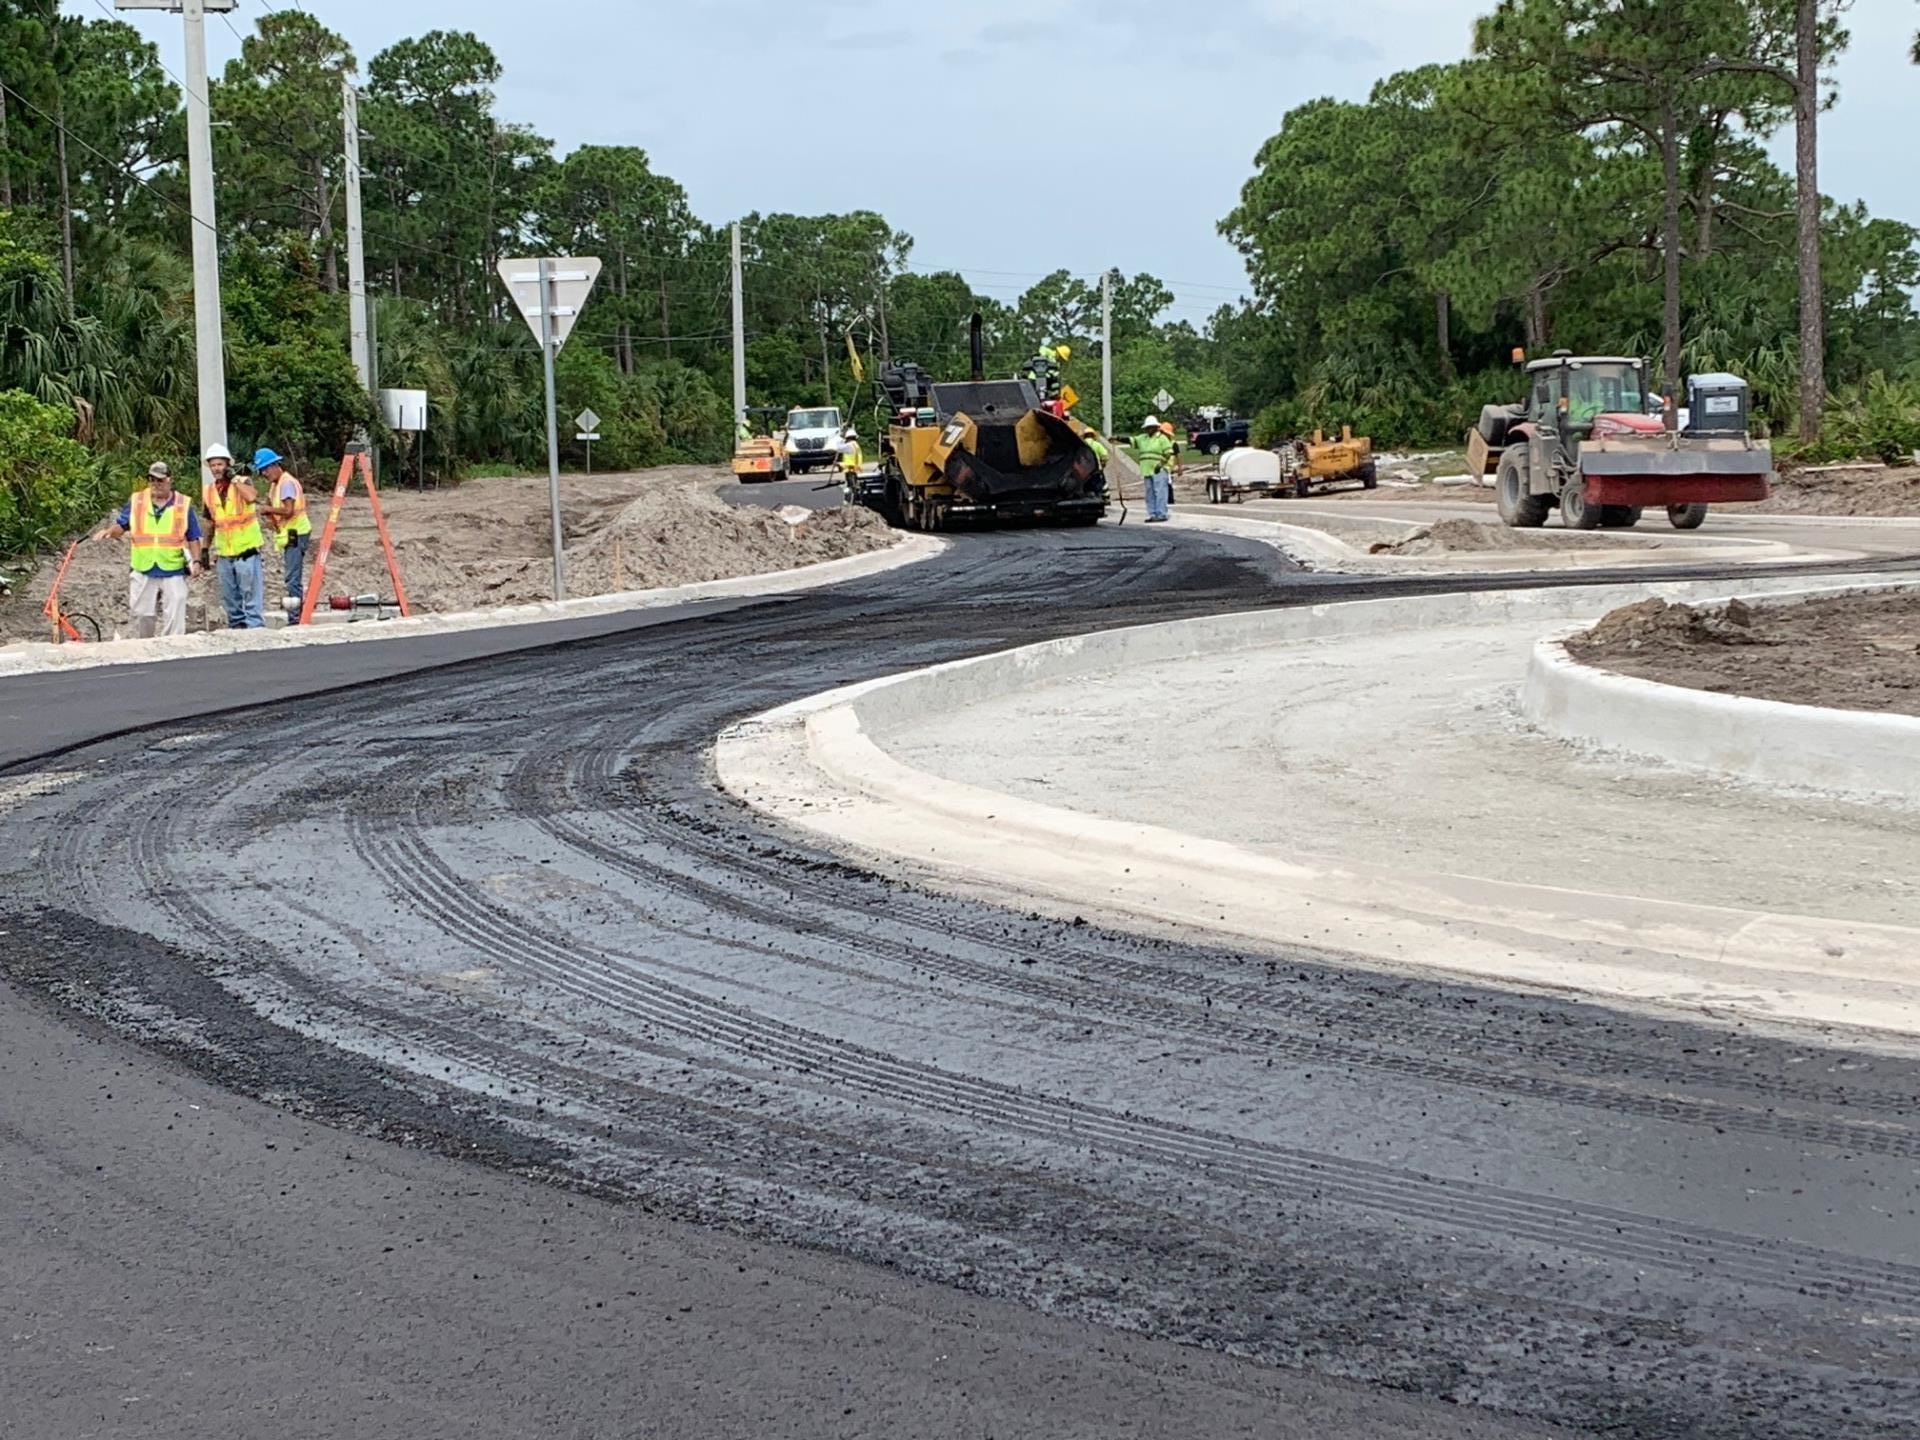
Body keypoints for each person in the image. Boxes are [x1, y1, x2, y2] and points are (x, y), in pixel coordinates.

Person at [91, 461, 204, 638]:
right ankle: (145, 647)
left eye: (160, 480)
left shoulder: (183, 504)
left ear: (169, 480)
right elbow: (122, 526)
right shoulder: (137, 501)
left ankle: (174, 649)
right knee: (142, 615)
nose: (156, 485)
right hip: (143, 566)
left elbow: (193, 537)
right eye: (152, 480)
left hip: (172, 568)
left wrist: (197, 561)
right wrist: (109, 532)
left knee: (176, 611)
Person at [200, 442, 266, 629]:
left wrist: (235, 479)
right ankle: (237, 630)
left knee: (252, 599)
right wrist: (205, 548)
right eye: (213, 465)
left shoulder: (243, 482)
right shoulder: (209, 491)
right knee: (231, 600)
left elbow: (252, 497)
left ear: (228, 465)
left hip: (246, 551)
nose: (216, 469)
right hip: (224, 553)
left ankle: (255, 632)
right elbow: (210, 522)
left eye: (219, 464)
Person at [254, 448, 312, 624]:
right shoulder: (276, 485)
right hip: (290, 533)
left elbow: (288, 510)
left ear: (274, 465)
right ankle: (296, 614)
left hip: (297, 533)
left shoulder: (286, 483)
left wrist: (268, 509)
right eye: (261, 471)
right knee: (291, 576)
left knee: (292, 577)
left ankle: (296, 618)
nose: (264, 474)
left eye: (265, 469)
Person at [1128, 414, 1179, 522]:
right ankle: (1152, 514)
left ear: (1156, 427)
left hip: (1159, 469)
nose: (1149, 429)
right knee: (1150, 493)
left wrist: (1161, 464)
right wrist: (1117, 439)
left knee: (1160, 492)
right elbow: (1132, 440)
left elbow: (1168, 453)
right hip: (1146, 469)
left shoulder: (1162, 438)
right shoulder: (1143, 438)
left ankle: (1161, 514)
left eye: (1151, 427)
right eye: (1147, 427)